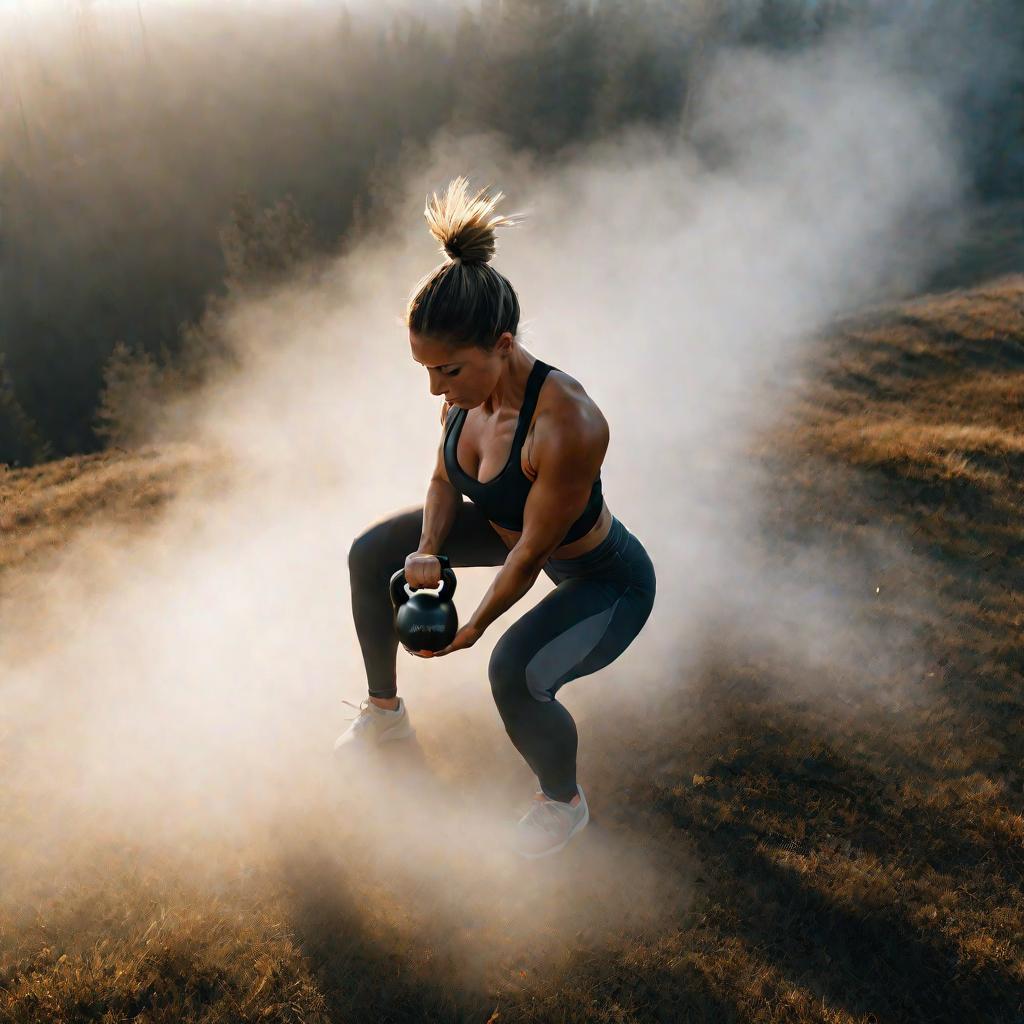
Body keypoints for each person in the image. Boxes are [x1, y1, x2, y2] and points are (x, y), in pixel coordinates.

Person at [335, 177, 657, 859]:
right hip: (509, 534)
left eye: (447, 371)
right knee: (373, 553)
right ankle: (385, 717)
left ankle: (563, 804)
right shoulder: (461, 393)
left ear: (501, 345)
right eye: (425, 370)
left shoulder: (567, 423)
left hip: (601, 577)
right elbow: (442, 478)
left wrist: (473, 628)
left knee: (515, 672)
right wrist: (425, 547)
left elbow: (532, 558)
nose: (435, 389)